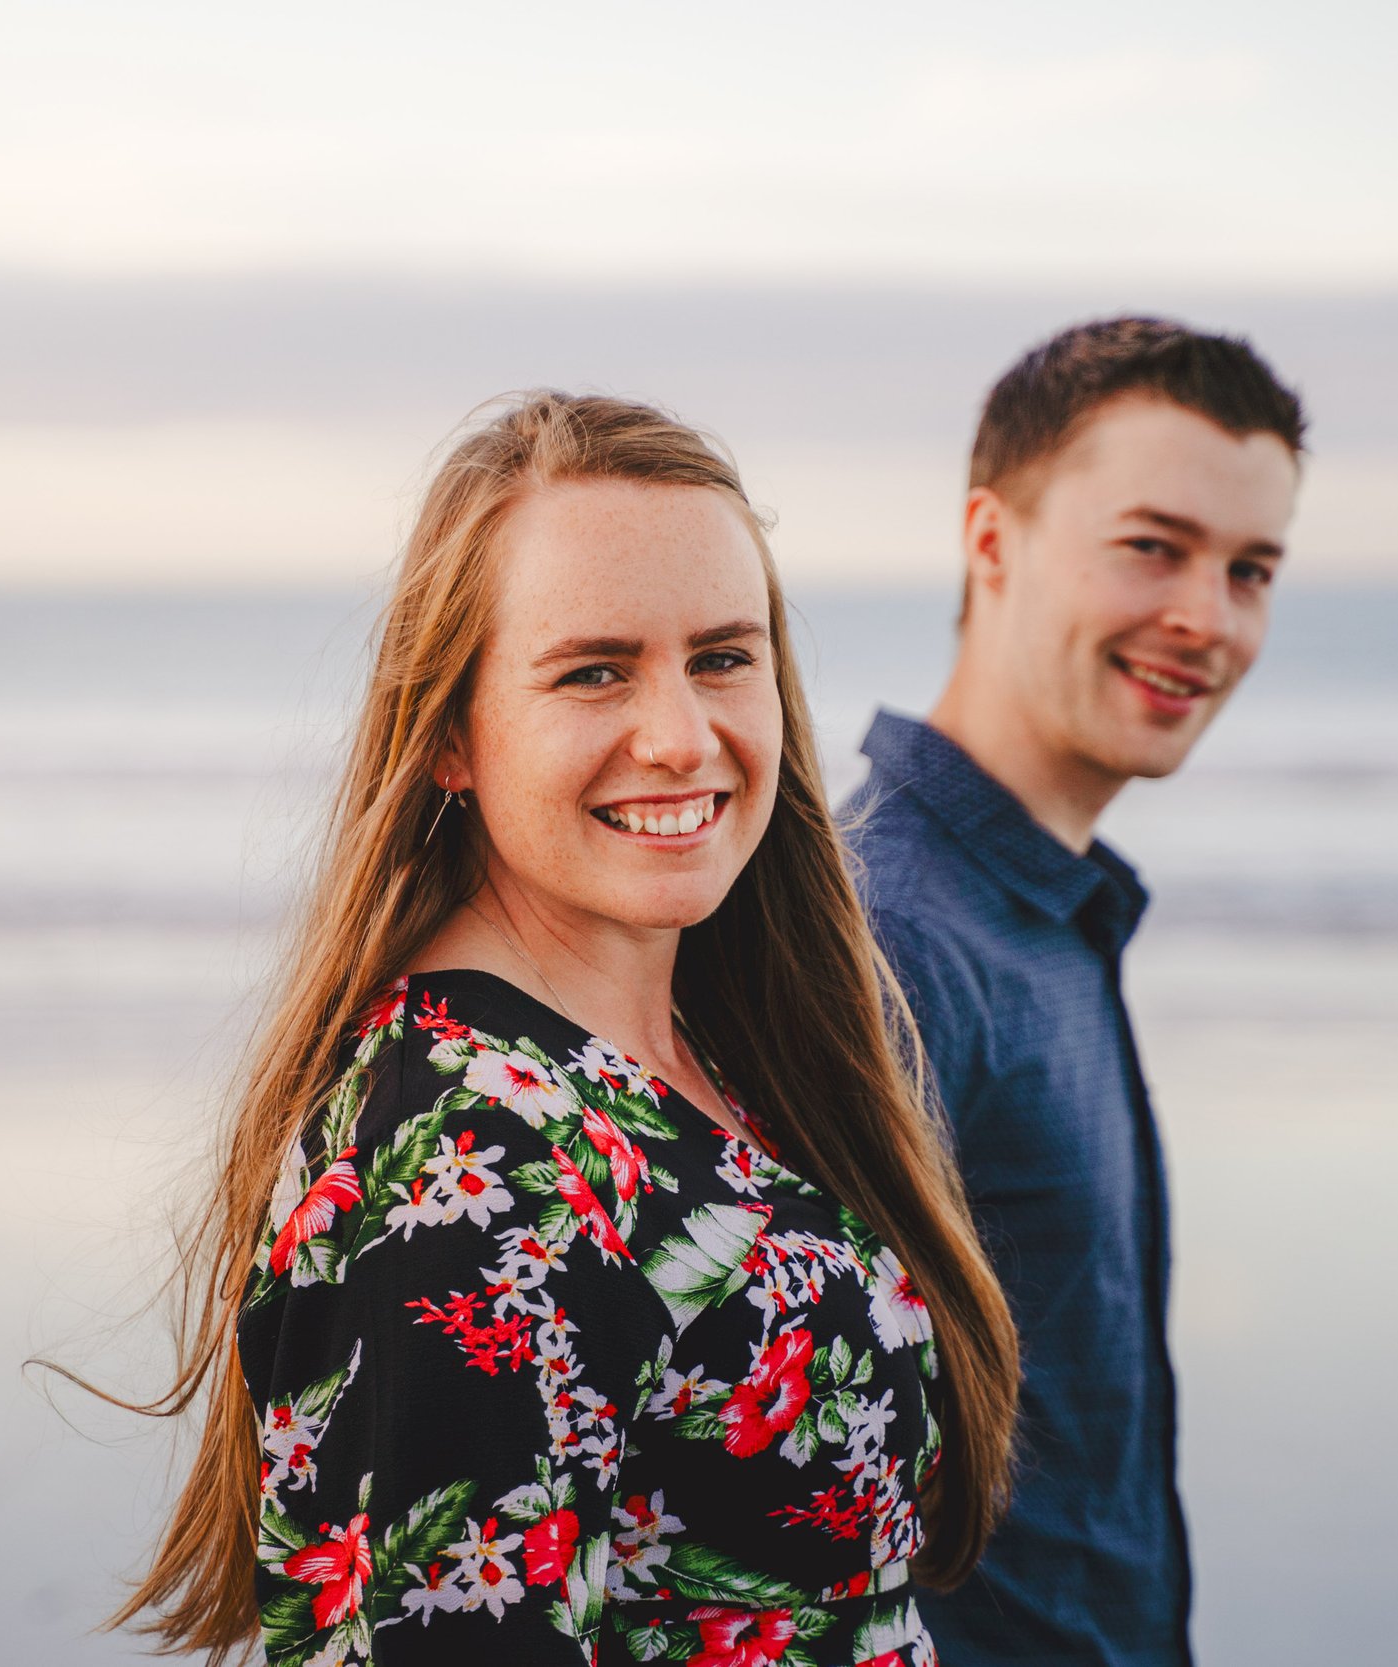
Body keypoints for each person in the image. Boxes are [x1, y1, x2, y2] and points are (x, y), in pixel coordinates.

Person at [112, 393, 1019, 1666]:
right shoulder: (466, 1162)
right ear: (448, 734)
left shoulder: (716, 1044)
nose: (680, 735)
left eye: (721, 657)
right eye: (593, 669)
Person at [843, 318, 1307, 1666]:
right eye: (1153, 546)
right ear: (991, 540)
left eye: (1251, 568)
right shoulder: (895, 936)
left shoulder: (1041, 906)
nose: (1206, 619)